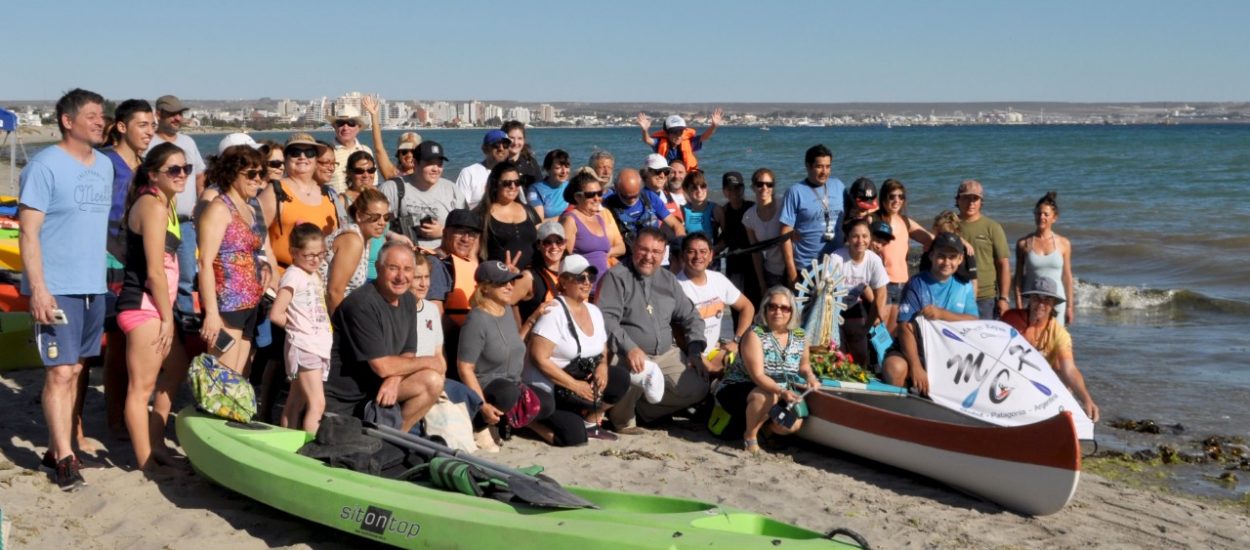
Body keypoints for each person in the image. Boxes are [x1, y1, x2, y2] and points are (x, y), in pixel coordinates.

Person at [19, 89, 113, 490]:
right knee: (60, 372)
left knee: (76, 369)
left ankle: (55, 446)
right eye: (91, 115)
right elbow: (28, 231)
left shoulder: (105, 166)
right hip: (56, 288)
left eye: (102, 116)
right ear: (67, 120)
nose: (100, 121)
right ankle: (63, 457)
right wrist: (39, 289)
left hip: (94, 285)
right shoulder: (44, 166)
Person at [116, 142, 191, 470]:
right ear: (153, 174)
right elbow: (155, 273)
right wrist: (167, 319)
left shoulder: (165, 202)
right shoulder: (153, 206)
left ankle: (156, 441)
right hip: (144, 306)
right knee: (141, 387)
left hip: (157, 308)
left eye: (185, 168)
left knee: (177, 368)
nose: (182, 175)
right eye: (173, 170)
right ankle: (145, 458)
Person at [323, 242, 445, 432]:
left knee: (433, 381)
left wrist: (394, 380)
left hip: (381, 387)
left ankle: (396, 437)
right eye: (393, 268)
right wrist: (430, 361)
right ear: (379, 268)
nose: (401, 276)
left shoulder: (407, 300)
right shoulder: (361, 304)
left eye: (407, 269)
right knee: (431, 372)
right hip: (344, 396)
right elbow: (382, 367)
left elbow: (408, 351)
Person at [598, 227, 709, 433]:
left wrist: (695, 350)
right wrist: (629, 347)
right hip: (627, 353)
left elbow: (691, 315)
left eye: (656, 252)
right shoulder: (617, 276)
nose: (649, 257)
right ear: (633, 247)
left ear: (664, 253)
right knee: (633, 372)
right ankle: (622, 420)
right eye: (643, 250)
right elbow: (606, 319)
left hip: (666, 353)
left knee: (699, 387)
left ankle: (645, 411)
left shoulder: (668, 279)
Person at [526, 255, 631, 442]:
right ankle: (529, 422)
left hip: (577, 384)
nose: (587, 282)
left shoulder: (593, 311)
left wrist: (602, 367)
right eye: (580, 278)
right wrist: (574, 385)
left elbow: (602, 347)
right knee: (574, 437)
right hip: (551, 388)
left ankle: (589, 421)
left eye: (590, 277)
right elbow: (538, 358)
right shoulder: (554, 313)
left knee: (620, 378)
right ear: (564, 281)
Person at [100, 98, 155, 439]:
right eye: (142, 125)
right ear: (122, 127)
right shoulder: (105, 164)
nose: (150, 132)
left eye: (152, 125)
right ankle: (113, 419)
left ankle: (122, 415)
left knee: (126, 345)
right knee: (113, 346)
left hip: (137, 262)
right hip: (109, 261)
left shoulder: (145, 166)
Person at [457, 261, 556, 450]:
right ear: (485, 288)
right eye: (502, 283)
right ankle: (481, 424)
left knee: (546, 402)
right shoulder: (476, 319)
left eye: (510, 282)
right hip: (487, 385)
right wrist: (482, 404)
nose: (510, 286)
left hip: (512, 382)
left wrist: (533, 318)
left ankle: (506, 422)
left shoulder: (506, 309)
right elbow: (465, 367)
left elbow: (513, 344)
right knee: (507, 392)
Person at [715, 287, 819, 454]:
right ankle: (750, 436)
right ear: (765, 309)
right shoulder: (755, 334)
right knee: (767, 395)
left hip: (778, 390)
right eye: (773, 306)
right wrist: (782, 391)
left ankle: (766, 429)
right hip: (741, 386)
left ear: (792, 311)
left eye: (784, 308)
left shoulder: (800, 336)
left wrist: (810, 377)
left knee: (794, 424)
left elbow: (804, 365)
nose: (778, 311)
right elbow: (757, 375)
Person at [197, 145, 269, 374]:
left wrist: (265, 266)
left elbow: (251, 251)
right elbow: (205, 262)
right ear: (231, 173)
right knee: (222, 382)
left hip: (251, 303)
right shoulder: (219, 208)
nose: (257, 179)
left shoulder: (248, 208)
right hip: (227, 304)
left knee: (237, 380)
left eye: (261, 173)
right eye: (251, 174)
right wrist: (211, 314)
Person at [880, 232, 980, 394]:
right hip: (915, 349)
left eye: (952, 257)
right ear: (931, 255)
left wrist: (942, 314)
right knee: (895, 368)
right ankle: (896, 411)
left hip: (948, 352)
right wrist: (916, 366)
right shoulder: (916, 284)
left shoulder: (965, 285)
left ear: (960, 259)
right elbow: (904, 327)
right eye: (941, 256)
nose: (947, 262)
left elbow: (974, 321)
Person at [1001, 276, 1099, 422]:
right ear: (1030, 299)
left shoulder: (1059, 334)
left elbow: (1070, 370)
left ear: (1053, 304)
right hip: (1008, 380)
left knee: (1064, 380)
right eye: (1037, 298)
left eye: (1047, 299)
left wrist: (1086, 399)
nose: (1041, 304)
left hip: (1037, 387)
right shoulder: (1010, 319)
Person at [145, 95, 206, 317]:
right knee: (161, 275)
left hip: (186, 224)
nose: (177, 118)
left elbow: (199, 176)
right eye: (171, 114)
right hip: (158, 223)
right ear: (158, 114)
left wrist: (199, 207)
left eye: (180, 113)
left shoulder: (187, 143)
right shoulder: (148, 144)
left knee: (187, 277)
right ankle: (163, 319)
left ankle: (186, 323)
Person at [269, 223, 333, 433]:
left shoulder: (313, 275)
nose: (316, 259)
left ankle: (286, 441)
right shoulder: (293, 275)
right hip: (305, 346)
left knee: (296, 402)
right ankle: (309, 451)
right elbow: (276, 313)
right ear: (294, 253)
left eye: (321, 254)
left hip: (317, 345)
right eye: (310, 255)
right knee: (317, 404)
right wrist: (298, 329)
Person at [259, 134, 339, 270]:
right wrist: (270, 268)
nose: (303, 157)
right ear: (286, 158)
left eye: (309, 153)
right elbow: (257, 233)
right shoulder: (275, 191)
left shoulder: (328, 194)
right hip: (283, 277)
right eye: (295, 153)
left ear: (315, 159)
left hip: (319, 279)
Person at [676, 233, 754, 371]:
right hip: (685, 354)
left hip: (714, 351)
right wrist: (700, 359)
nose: (698, 256)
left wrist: (737, 340)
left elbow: (747, 307)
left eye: (703, 252)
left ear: (711, 255)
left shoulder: (718, 279)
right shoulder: (675, 286)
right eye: (691, 251)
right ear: (683, 255)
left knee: (751, 366)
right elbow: (675, 331)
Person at [378, 140, 466, 249]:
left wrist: (443, 232)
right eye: (429, 163)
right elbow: (372, 223)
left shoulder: (452, 190)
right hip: (404, 254)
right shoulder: (392, 188)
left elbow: (466, 229)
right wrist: (393, 236)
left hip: (442, 256)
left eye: (439, 164)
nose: (435, 169)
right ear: (415, 163)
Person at [780, 144, 846, 287]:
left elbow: (853, 215)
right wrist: (791, 272)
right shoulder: (795, 192)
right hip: (806, 269)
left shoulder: (839, 186)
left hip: (836, 267)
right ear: (808, 166)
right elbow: (785, 234)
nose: (825, 171)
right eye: (819, 166)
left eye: (828, 166)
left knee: (833, 309)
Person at [875, 179, 934, 328]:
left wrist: (961, 242)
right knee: (879, 327)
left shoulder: (905, 221)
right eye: (892, 196)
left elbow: (930, 238)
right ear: (883, 198)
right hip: (883, 283)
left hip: (903, 283)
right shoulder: (875, 220)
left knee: (895, 329)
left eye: (900, 197)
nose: (897, 200)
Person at [322, 188, 391, 312]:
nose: (382, 222)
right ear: (359, 216)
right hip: (323, 313)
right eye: (375, 217)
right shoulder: (352, 240)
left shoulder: (365, 238)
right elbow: (334, 292)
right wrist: (340, 328)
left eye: (386, 217)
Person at [833, 219, 890, 368]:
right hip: (833, 310)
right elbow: (823, 294)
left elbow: (881, 294)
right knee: (838, 355)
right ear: (848, 238)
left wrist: (867, 327)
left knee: (860, 356)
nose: (860, 241)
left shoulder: (874, 260)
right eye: (855, 236)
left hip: (853, 307)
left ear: (870, 238)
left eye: (865, 236)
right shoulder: (837, 258)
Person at [1014, 192, 1075, 326]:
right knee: (1032, 342)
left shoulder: (1064, 243)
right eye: (1038, 213)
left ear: (1054, 218)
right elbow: (1018, 278)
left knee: (1055, 343)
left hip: (1057, 301)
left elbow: (1067, 277)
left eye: (1046, 214)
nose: (1041, 217)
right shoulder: (1023, 244)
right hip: (1032, 303)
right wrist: (1019, 304)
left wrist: (1070, 306)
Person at [955, 179, 1011, 320]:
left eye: (975, 199)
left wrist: (1003, 298)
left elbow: (1003, 264)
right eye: (966, 198)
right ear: (958, 199)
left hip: (985, 298)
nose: (971, 202)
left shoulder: (992, 227)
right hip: (954, 294)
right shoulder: (949, 224)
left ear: (981, 202)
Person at [560, 169, 625, 291]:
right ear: (578, 197)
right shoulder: (570, 220)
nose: (597, 198)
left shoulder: (600, 218)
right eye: (590, 195)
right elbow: (564, 258)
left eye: (599, 193)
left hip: (605, 288)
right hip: (583, 289)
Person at [602, 168, 684, 255]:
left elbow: (676, 225)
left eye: (635, 195)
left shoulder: (650, 197)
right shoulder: (607, 206)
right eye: (627, 197)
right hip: (625, 257)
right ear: (617, 189)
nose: (632, 200)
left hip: (653, 252)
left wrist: (680, 247)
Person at [477, 160, 541, 269]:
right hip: (499, 280)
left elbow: (541, 242)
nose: (513, 186)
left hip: (530, 277)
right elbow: (475, 253)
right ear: (495, 184)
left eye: (517, 182)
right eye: (507, 183)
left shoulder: (529, 210)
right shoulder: (482, 215)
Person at [742, 168, 785, 298]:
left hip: (791, 269)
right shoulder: (748, 217)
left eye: (769, 184)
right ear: (753, 187)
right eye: (760, 184)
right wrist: (762, 283)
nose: (764, 188)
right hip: (771, 272)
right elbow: (756, 253)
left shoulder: (783, 206)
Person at [636, 109, 722, 172]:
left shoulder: (688, 142)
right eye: (674, 132)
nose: (678, 136)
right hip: (667, 177)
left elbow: (704, 137)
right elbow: (647, 140)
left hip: (684, 178)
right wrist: (645, 130)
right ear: (667, 133)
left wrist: (713, 126)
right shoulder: (660, 143)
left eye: (680, 132)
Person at [719, 171, 758, 304]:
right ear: (724, 191)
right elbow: (723, 240)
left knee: (757, 304)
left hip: (755, 262)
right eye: (729, 188)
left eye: (737, 188)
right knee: (737, 305)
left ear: (743, 189)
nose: (734, 191)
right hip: (733, 264)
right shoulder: (722, 212)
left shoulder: (753, 208)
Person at [517, 221, 567, 322]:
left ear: (565, 244)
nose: (554, 246)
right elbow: (510, 303)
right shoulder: (529, 277)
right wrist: (518, 334)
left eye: (559, 241)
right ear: (538, 245)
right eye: (547, 242)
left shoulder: (572, 272)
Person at [361, 95, 419, 181]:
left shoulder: (426, 175)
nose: (409, 155)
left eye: (413, 151)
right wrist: (374, 115)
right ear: (398, 155)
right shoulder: (392, 174)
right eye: (404, 151)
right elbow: (379, 149)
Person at [456, 130, 512, 209]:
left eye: (505, 144)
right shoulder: (469, 173)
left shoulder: (512, 174)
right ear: (485, 149)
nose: (501, 148)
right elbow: (460, 209)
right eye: (496, 144)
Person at [327, 104, 373, 194]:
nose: (345, 128)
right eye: (340, 123)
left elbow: (372, 183)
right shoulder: (325, 152)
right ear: (334, 127)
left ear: (359, 127)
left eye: (351, 123)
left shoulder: (366, 151)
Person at [679, 171, 724, 251]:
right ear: (686, 190)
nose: (699, 190)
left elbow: (727, 235)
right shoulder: (682, 211)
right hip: (690, 258)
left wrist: (714, 250)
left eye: (703, 186)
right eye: (694, 187)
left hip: (712, 258)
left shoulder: (715, 209)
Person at [527, 149, 571, 222]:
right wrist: (565, 218)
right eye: (558, 168)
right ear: (548, 169)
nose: (564, 171)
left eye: (567, 167)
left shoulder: (571, 187)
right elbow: (538, 223)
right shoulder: (535, 189)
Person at [502, 120, 542, 187]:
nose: (515, 142)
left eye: (520, 138)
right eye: (511, 138)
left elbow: (540, 188)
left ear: (524, 140)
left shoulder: (531, 163)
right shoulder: (498, 164)